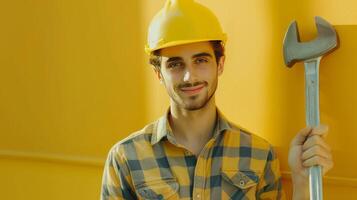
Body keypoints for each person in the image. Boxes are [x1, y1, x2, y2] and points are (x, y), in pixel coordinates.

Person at [101, 0, 333, 199]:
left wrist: (302, 182)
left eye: (201, 60)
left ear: (219, 64)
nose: (189, 76)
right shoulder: (125, 158)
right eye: (174, 64)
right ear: (158, 73)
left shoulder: (259, 154)